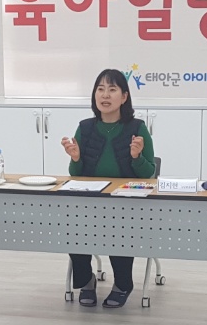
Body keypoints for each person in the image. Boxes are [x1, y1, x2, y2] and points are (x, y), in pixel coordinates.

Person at [59, 68, 157, 308]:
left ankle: (123, 284)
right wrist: (75, 158)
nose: (105, 95)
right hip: (91, 202)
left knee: (120, 228)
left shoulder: (137, 128)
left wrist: (137, 157)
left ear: (124, 97)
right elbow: (76, 174)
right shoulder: (85, 128)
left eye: (112, 89)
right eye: (100, 89)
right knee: (73, 227)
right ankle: (86, 280)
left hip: (126, 205)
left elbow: (149, 175)